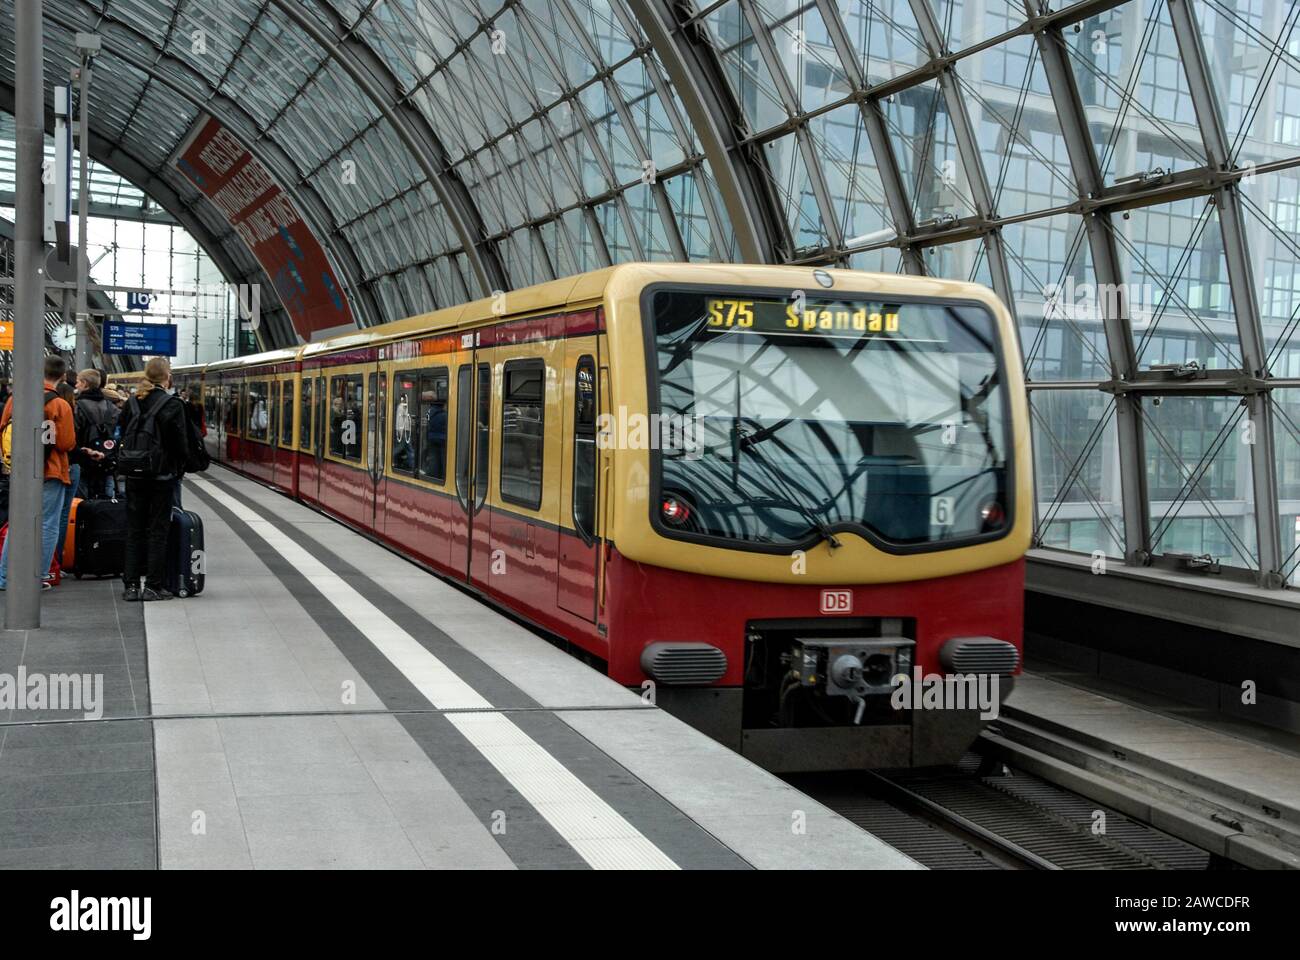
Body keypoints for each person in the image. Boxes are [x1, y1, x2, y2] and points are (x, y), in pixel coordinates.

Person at [0, 356, 77, 591]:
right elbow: (66, 443)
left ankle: (4, 576)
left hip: (21, 471)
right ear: (62, 376)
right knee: (47, 524)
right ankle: (38, 575)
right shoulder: (60, 405)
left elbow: (3, 427)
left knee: (17, 522)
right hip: (50, 472)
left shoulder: (16, 399)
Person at [117, 357, 188, 601]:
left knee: (134, 530)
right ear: (166, 377)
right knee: (158, 530)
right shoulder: (172, 404)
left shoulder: (132, 403)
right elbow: (180, 443)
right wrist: (180, 467)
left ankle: (131, 586)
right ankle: (153, 586)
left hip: (134, 474)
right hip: (161, 475)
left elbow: (123, 432)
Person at [71, 369, 119, 501]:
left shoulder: (77, 407)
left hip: (83, 461)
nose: (76, 386)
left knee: (82, 503)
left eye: (78, 382)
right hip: (107, 462)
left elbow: (73, 435)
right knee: (105, 505)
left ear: (85, 384)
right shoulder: (112, 408)